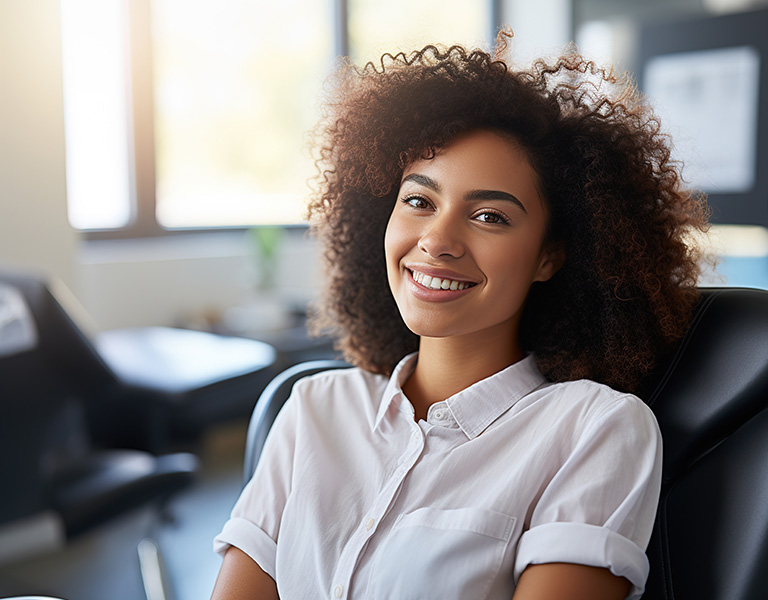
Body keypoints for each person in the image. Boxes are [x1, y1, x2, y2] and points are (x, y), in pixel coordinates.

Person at [211, 35, 708, 600]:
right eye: (419, 201)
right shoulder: (313, 410)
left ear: (550, 255)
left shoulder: (595, 429)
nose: (438, 241)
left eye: (490, 216)